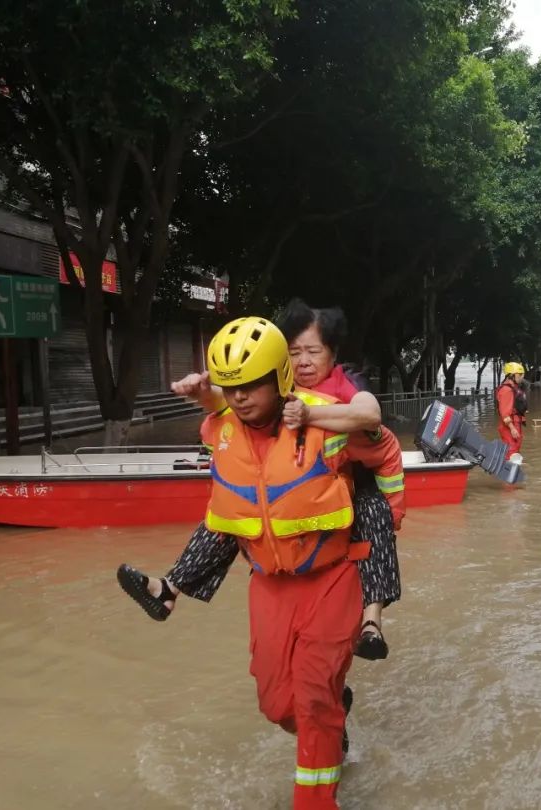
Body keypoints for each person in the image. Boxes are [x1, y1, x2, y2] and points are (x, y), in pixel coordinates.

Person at [119, 317, 406, 810]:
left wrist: (350, 423)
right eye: (231, 388)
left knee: (314, 696)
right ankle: (335, 727)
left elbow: (380, 441)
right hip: (269, 584)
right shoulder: (221, 430)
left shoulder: (325, 422)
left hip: (332, 578)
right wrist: (204, 395)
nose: (241, 397)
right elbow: (228, 500)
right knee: (279, 706)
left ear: (280, 377)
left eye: (251, 384)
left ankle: (315, 800)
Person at [127, 300, 405, 664]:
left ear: (332, 353)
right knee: (233, 509)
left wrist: (310, 414)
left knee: (373, 516)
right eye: (294, 352)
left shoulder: (347, 382)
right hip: (291, 486)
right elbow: (232, 400)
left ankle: (371, 621)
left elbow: (369, 413)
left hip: (349, 480)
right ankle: (170, 587)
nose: (303, 361)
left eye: (313, 351)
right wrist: (201, 393)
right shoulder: (275, 389)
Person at [496, 362, 527, 461]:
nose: (522, 377)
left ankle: (513, 471)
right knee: (512, 452)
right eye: (520, 375)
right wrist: (512, 428)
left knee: (515, 450)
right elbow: (505, 413)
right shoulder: (507, 390)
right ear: (512, 375)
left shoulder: (513, 388)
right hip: (510, 425)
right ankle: (511, 472)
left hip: (515, 422)